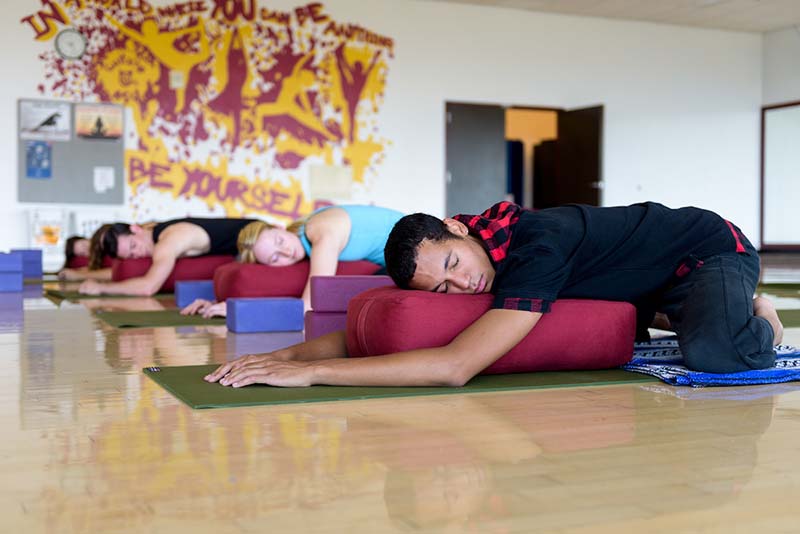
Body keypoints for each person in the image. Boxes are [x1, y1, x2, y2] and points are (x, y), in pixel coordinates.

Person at [204, 201, 785, 388]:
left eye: (454, 266)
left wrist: (314, 376)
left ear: (458, 230)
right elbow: (400, 329)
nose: (463, 287)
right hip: (645, 285)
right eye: (444, 286)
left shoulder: (536, 246)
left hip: (709, 250)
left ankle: (762, 315)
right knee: (676, 324)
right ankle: (705, 311)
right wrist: (281, 356)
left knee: (713, 353)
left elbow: (457, 366)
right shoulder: (470, 256)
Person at [181, 205, 404, 317]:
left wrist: (238, 310)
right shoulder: (309, 237)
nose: (286, 252)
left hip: (420, 251)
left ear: (280, 227)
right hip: (401, 258)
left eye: (279, 241)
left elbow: (311, 305)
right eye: (275, 258)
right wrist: (216, 301)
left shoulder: (318, 231)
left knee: (373, 292)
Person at [79, 218, 258, 296]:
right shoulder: (157, 231)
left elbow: (148, 287)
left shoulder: (167, 242)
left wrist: (102, 288)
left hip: (258, 238)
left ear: (136, 228)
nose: (138, 253)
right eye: (131, 255)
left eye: (134, 245)